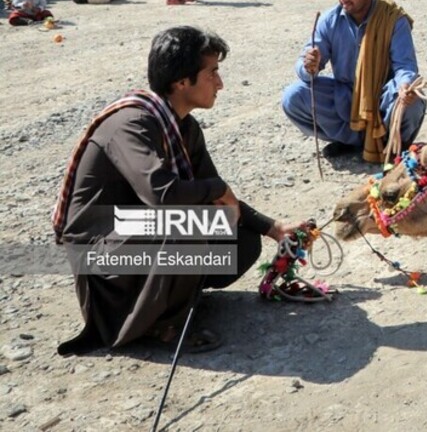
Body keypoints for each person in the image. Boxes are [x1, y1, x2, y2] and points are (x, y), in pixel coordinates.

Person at [53, 26, 300, 354]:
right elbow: (164, 194)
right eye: (212, 73)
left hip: (134, 234)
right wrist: (217, 189)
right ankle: (160, 322)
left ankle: (170, 298)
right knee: (190, 224)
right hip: (101, 254)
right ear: (181, 81)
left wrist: (274, 229)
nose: (220, 83)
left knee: (240, 239)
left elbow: (217, 197)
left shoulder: (183, 126)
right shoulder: (131, 125)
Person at [280, 0, 426, 163]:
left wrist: (405, 86)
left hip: (384, 96)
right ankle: (351, 141)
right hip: (346, 95)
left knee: (414, 99)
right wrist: (308, 66)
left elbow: (405, 66)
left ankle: (391, 144)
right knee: (293, 96)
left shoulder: (392, 20)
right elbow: (306, 63)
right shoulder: (330, 19)